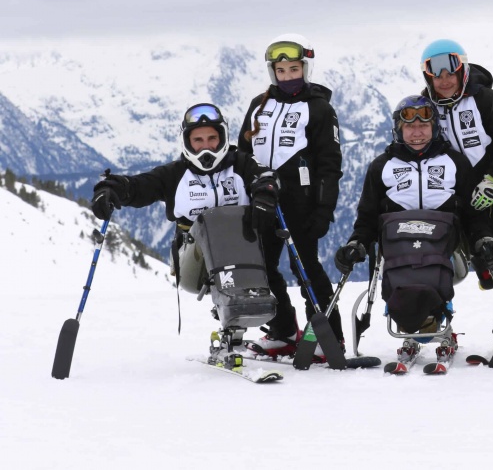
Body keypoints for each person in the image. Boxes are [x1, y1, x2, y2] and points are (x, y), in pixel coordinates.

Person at [90, 103, 279, 347]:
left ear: (222, 138)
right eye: (198, 140)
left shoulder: (241, 165)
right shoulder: (175, 175)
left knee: (262, 253)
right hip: (195, 264)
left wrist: (265, 195)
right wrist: (109, 189)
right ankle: (234, 320)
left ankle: (279, 331)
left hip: (244, 256)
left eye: (212, 138)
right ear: (187, 143)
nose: (206, 146)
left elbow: (266, 178)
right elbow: (137, 187)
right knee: (215, 224)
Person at [333, 95, 493, 358]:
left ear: (434, 127)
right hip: (398, 246)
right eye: (409, 126)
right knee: (406, 267)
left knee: (432, 267)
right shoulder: (382, 166)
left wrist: (483, 239)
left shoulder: (455, 162)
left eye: (423, 125)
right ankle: (412, 324)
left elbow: (472, 214)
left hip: (446, 246)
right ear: (399, 130)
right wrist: (357, 243)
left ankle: (434, 323)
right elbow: (367, 215)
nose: (416, 132)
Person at [238, 33, 345, 358]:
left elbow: (330, 164)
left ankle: (330, 335)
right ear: (273, 72)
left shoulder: (319, 109)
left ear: (305, 69)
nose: (288, 77)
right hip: (261, 200)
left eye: (294, 69)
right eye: (281, 71)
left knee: (307, 270)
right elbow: (244, 153)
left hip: (301, 203)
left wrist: (323, 210)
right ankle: (284, 331)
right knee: (265, 270)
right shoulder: (260, 105)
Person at [419, 39, 493, 302]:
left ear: (462, 71)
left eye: (450, 74)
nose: (445, 81)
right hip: (457, 196)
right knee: (482, 264)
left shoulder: (485, 100)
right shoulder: (426, 107)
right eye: (437, 76)